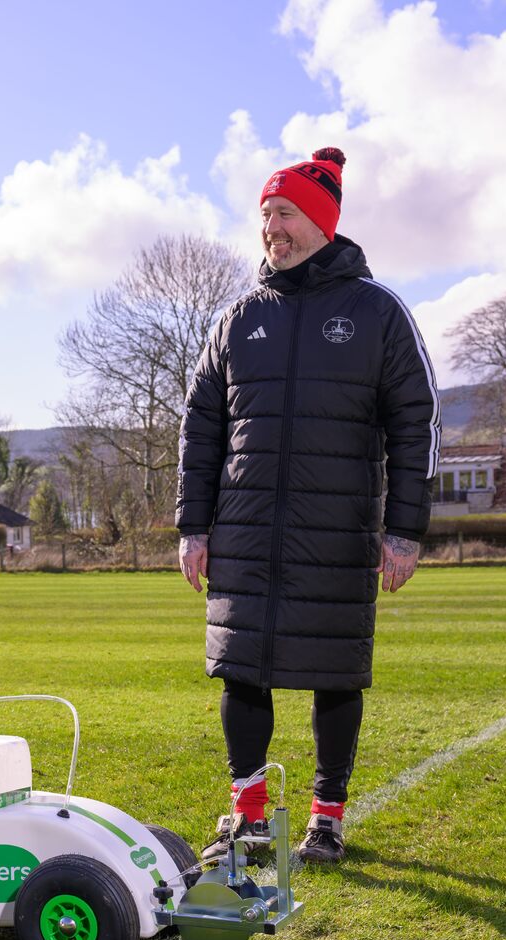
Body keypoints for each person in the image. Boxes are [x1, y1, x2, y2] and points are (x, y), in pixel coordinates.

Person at [176, 148, 440, 863]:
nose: (272, 230)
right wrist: (193, 526)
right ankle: (249, 815)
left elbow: (416, 422)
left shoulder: (377, 313)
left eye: (284, 213)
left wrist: (405, 531)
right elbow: (201, 425)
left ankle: (327, 820)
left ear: (321, 222)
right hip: (245, 533)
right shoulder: (237, 318)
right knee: (241, 667)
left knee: (334, 670)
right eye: (265, 217)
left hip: (336, 530)